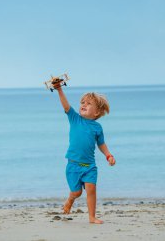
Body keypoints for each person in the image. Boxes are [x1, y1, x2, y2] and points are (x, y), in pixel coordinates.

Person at [54, 83, 116, 224]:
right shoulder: (75, 119)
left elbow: (101, 144)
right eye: (82, 102)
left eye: (88, 103)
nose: (83, 104)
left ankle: (92, 217)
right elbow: (66, 106)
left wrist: (108, 155)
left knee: (91, 190)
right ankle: (70, 199)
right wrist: (59, 89)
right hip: (73, 165)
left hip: (89, 166)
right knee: (77, 193)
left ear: (96, 112)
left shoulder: (97, 128)